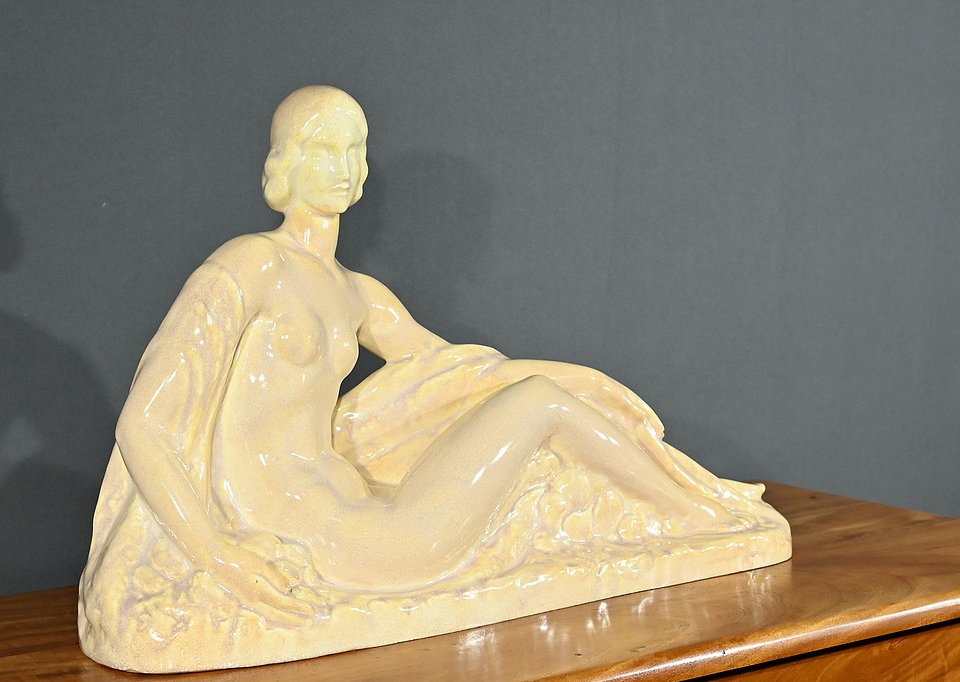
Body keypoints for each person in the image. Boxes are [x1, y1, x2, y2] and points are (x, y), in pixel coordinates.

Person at [81, 86, 784, 637]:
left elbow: (462, 379)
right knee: (541, 402)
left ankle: (697, 511)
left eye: (355, 149)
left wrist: (585, 380)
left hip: (369, 523)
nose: (343, 167)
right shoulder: (248, 265)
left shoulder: (357, 295)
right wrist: (218, 555)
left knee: (543, 395)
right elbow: (146, 423)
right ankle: (700, 513)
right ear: (284, 159)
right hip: (338, 544)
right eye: (322, 149)